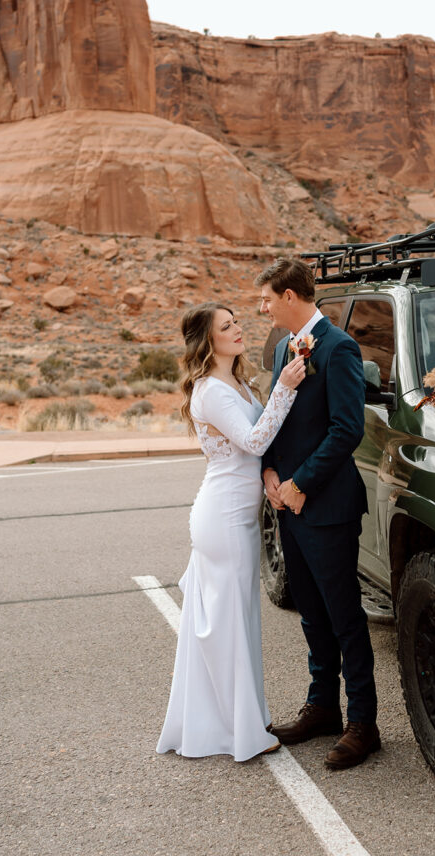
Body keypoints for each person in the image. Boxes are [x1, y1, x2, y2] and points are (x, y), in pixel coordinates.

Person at [156, 301, 306, 762]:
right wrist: (284, 387)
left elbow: (254, 452)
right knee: (229, 625)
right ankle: (238, 732)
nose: (238, 329)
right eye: (227, 326)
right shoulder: (211, 391)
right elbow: (255, 439)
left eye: (236, 321)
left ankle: (237, 720)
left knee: (234, 621)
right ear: (208, 340)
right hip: (222, 517)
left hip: (238, 512)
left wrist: (267, 475)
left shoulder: (236, 381)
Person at [257, 257, 380, 770]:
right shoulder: (287, 347)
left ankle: (363, 723)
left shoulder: (339, 347)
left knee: (344, 614)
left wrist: (302, 482)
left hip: (325, 505)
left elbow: (347, 429)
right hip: (287, 503)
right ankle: (323, 706)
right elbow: (275, 417)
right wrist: (269, 472)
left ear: (289, 296)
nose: (261, 307)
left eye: (266, 297)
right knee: (310, 610)